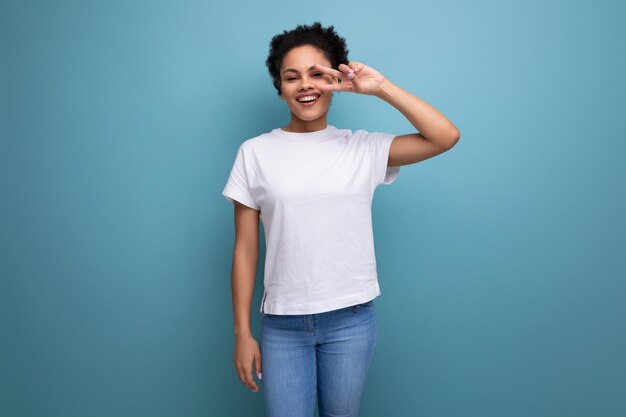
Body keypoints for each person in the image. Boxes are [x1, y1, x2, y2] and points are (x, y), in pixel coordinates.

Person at [222, 21, 460, 417]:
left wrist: (380, 86)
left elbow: (444, 136)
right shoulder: (255, 152)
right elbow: (245, 249)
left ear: (337, 79)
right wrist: (241, 333)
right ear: (280, 87)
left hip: (350, 321)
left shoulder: (361, 148)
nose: (305, 85)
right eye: (292, 76)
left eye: (317, 73)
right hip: (283, 325)